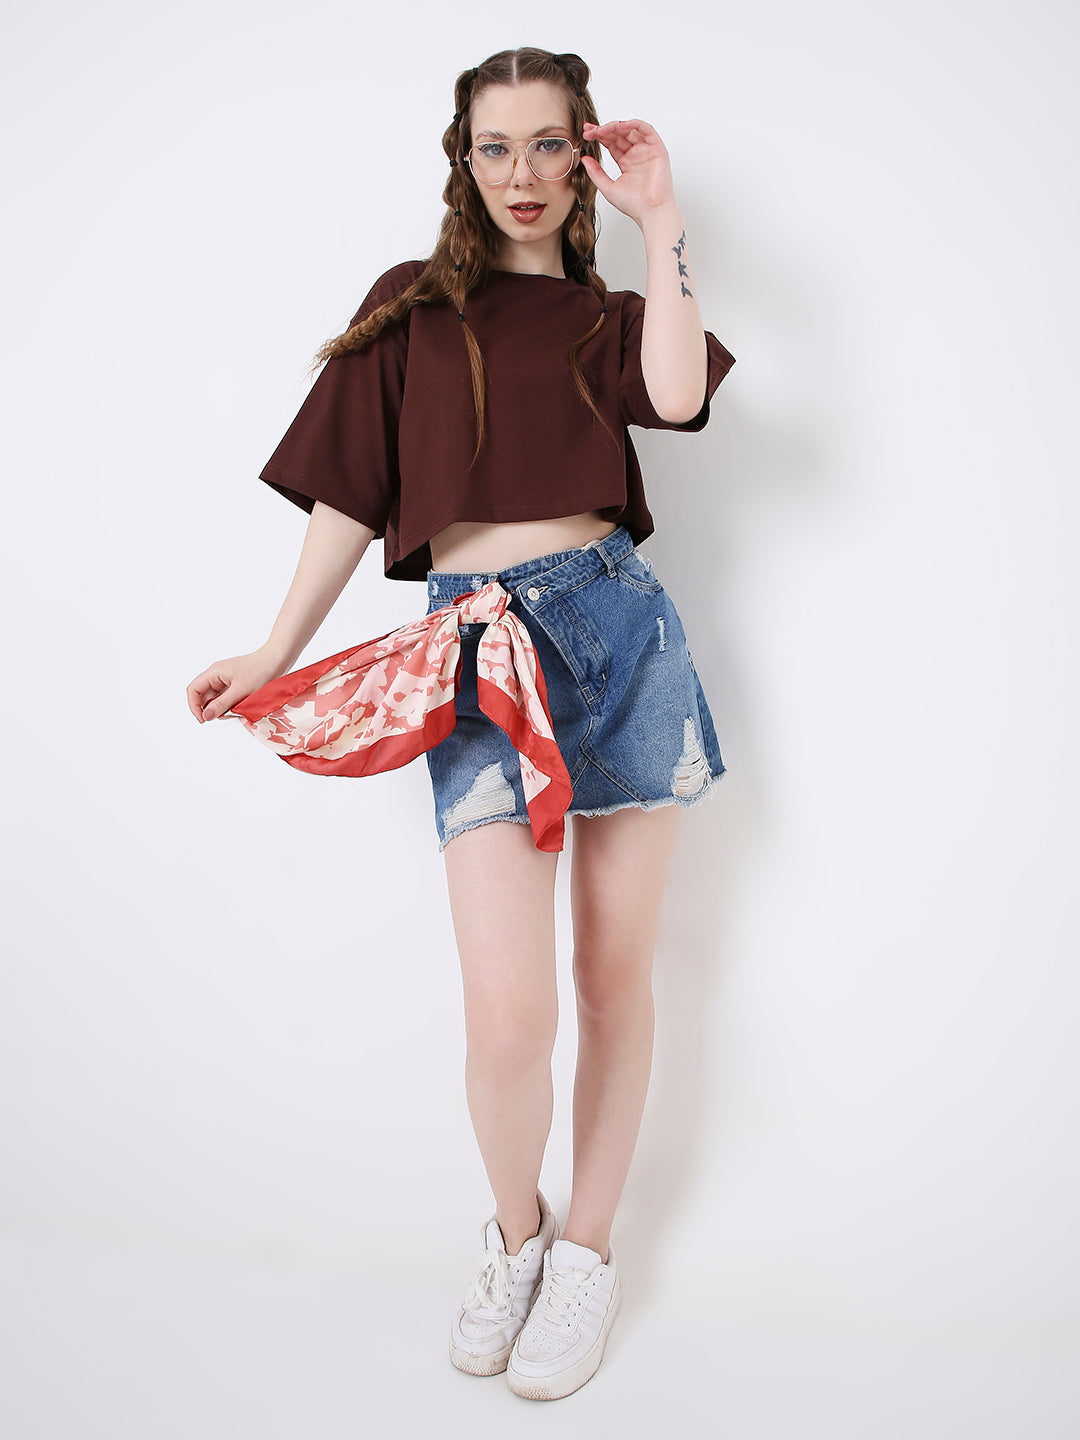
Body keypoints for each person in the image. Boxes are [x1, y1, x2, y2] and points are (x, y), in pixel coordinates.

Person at [186, 46, 735, 1402]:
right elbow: (350, 497)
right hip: (476, 656)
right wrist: (276, 649)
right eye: (496, 148)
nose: (524, 176)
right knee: (506, 1021)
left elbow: (676, 397)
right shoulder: (410, 309)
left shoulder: (612, 314)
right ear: (461, 159)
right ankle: (517, 1236)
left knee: (615, 982)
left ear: (583, 156)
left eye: (550, 147)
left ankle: (589, 1256)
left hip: (616, 636)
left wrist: (665, 225)